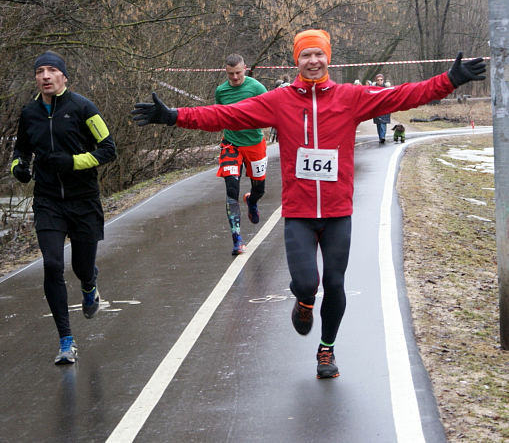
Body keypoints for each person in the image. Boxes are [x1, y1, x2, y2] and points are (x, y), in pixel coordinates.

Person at [132, 30, 485, 379]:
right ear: (296, 60)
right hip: (299, 213)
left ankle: (327, 348)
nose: (313, 61)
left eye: (318, 54)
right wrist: (174, 116)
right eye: (306, 55)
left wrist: (450, 80)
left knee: (334, 283)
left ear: (327, 58)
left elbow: (403, 96)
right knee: (306, 283)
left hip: (337, 212)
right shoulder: (279, 100)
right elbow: (226, 116)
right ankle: (302, 301)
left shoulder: (352, 97)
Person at [11, 51, 116, 365]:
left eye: (52, 70)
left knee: (82, 269)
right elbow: (20, 150)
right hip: (48, 202)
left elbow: (108, 149)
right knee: (53, 265)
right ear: (36, 78)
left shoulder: (83, 107)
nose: (45, 76)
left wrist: (72, 162)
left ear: (63, 77)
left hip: (83, 201)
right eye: (40, 71)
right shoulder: (29, 113)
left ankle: (89, 286)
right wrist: (19, 167)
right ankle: (66, 341)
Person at [214, 54, 268, 255]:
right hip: (230, 144)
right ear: (225, 72)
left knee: (259, 189)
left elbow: (270, 111)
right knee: (231, 189)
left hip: (254, 143)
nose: (235, 78)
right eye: (230, 74)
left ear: (245, 68)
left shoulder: (256, 88)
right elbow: (218, 115)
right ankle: (236, 238)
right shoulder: (221, 91)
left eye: (238, 73)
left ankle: (252, 201)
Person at [372, 74, 391, 143]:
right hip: (377, 107)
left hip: (385, 107)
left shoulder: (387, 88)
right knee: (378, 123)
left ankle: (382, 136)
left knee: (383, 123)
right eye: (378, 80)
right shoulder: (373, 88)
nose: (380, 81)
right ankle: (380, 136)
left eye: (381, 80)